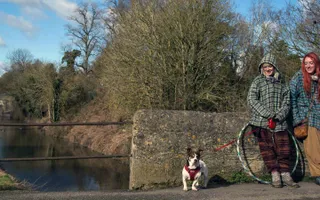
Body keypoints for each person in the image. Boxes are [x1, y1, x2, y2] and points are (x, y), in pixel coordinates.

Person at [247, 53, 299, 188]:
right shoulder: (257, 81)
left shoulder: (283, 83)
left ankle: (285, 174)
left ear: (274, 67)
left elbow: (287, 102)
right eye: (265, 66)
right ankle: (275, 173)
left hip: (280, 123)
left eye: (270, 66)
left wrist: (279, 115)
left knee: (284, 149)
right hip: (261, 122)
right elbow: (252, 100)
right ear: (261, 68)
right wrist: (267, 114)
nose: (267, 69)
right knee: (267, 149)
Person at [290, 52, 320, 186]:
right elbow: (291, 98)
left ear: (316, 63)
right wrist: (297, 118)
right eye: (306, 63)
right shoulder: (298, 77)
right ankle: (318, 174)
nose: (308, 65)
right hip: (307, 119)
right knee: (313, 150)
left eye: (311, 63)